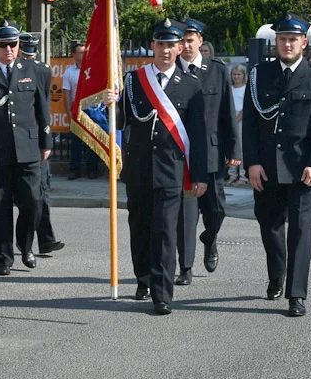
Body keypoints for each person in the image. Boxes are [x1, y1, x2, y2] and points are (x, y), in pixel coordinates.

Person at [103, 19, 208, 315]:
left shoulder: (190, 85)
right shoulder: (134, 80)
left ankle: (162, 295)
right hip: (138, 167)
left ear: (179, 48)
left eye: (171, 44)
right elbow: (125, 120)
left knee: (164, 231)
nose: (165, 50)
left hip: (171, 169)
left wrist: (199, 175)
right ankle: (144, 279)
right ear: (152, 46)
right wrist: (113, 103)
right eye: (160, 44)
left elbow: (197, 134)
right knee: (139, 227)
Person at [243, 14, 311, 317]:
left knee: (301, 231)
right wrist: (252, 163)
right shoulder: (259, 75)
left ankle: (296, 293)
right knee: (269, 228)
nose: (287, 43)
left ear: (304, 43)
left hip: (301, 169)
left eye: (293, 39)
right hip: (267, 169)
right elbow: (251, 126)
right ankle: (276, 274)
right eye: (282, 38)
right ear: (276, 42)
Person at [0, 21, 53, 275]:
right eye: (3, 45)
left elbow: (42, 109)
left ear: (18, 45)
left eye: (12, 44)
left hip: (28, 148)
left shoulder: (32, 69)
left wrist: (46, 141)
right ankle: (2, 259)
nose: (8, 49)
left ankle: (25, 245)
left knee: (33, 202)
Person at [174, 18, 240, 285]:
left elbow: (226, 112)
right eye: (182, 41)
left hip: (212, 155)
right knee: (185, 215)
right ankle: (185, 267)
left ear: (201, 42)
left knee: (217, 210)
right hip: (183, 156)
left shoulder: (216, 70)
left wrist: (234, 148)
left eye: (191, 40)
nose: (186, 45)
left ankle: (209, 239)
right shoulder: (171, 72)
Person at [18, 33, 65, 255]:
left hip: (36, 138)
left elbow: (43, 108)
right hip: (20, 140)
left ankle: (45, 239)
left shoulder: (42, 70)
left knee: (40, 193)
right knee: (29, 196)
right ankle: (27, 238)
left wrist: (45, 140)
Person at [63, 42, 99, 180]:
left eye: (85, 52)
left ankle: (92, 169)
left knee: (92, 141)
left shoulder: (93, 70)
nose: (84, 55)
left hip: (92, 109)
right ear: (74, 54)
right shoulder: (69, 72)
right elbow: (66, 94)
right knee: (76, 142)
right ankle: (74, 170)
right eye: (81, 52)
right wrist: (68, 114)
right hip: (77, 110)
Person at [227, 63, 248, 186]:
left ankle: (242, 175)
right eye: (234, 74)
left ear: (243, 75)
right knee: (231, 147)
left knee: (240, 148)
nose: (236, 77)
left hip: (240, 118)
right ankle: (232, 174)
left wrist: (237, 119)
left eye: (239, 74)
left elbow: (245, 106)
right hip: (230, 116)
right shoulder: (230, 88)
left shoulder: (245, 88)